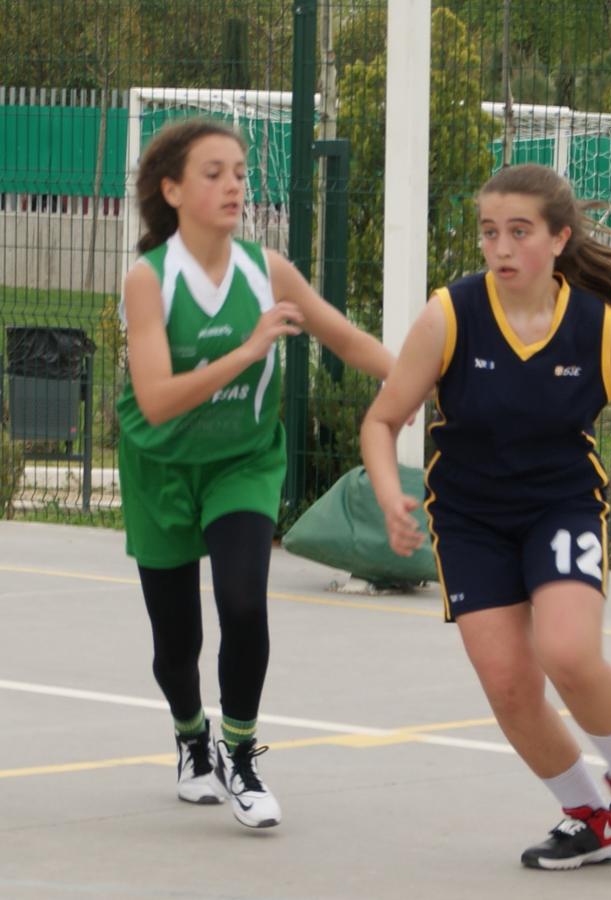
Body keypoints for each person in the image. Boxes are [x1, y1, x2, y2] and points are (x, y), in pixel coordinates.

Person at [360, 162, 611, 869]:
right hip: (469, 519)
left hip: (561, 506)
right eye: (489, 232)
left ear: (559, 239)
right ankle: (591, 819)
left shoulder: (597, 329)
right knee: (508, 686)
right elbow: (381, 420)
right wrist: (387, 493)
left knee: (567, 652)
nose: (500, 248)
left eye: (519, 232)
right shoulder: (451, 315)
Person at [117, 119, 394, 829]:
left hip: (242, 460)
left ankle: (240, 756)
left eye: (239, 172)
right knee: (176, 646)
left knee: (243, 603)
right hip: (162, 466)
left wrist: (430, 379)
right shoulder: (149, 281)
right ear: (172, 190)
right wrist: (247, 350)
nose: (234, 185)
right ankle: (191, 737)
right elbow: (157, 399)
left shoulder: (267, 271)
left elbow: (345, 338)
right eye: (213, 173)